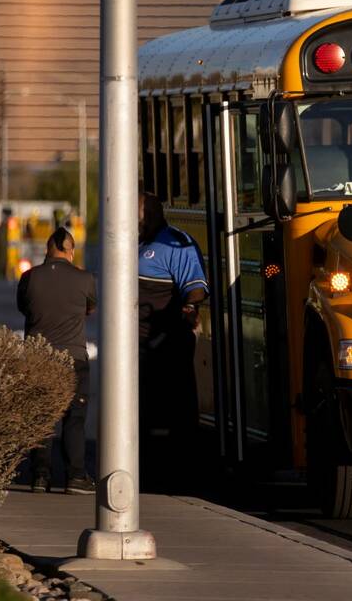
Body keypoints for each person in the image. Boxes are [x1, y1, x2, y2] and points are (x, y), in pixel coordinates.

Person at [17, 227, 97, 494]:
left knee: (42, 416)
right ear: (70, 251)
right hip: (73, 357)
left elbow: (24, 307)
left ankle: (40, 476)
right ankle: (75, 476)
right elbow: (91, 308)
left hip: (38, 357)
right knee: (74, 417)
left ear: (47, 250)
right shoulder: (85, 278)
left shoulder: (29, 277)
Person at [137, 192, 208, 486]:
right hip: (132, 346)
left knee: (176, 407)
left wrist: (189, 308)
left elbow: (196, 287)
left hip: (167, 340)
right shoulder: (126, 241)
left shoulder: (177, 244)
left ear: (151, 214)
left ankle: (182, 473)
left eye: (137, 212)